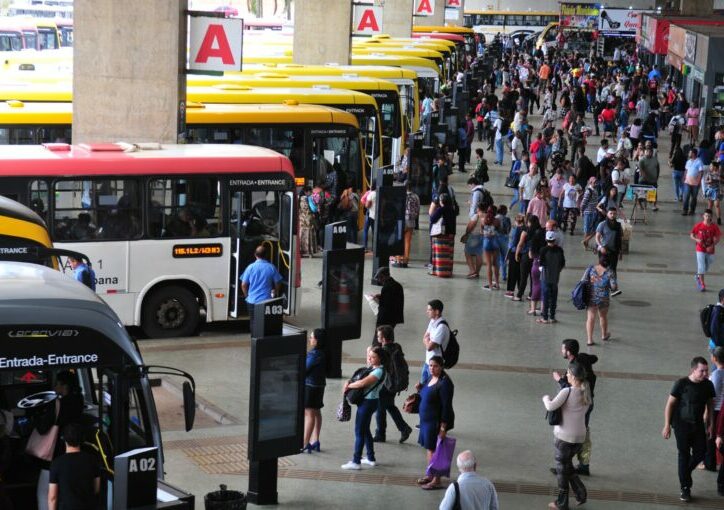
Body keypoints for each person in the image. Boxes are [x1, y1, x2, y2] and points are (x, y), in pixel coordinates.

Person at [662, 357, 716, 502]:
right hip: (681, 425)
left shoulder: (708, 385)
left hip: (698, 424)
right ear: (693, 370)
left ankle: (685, 473)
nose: (705, 373)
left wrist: (710, 423)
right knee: (683, 455)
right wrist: (667, 425)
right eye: (702, 371)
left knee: (701, 453)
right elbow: (670, 405)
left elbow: (710, 404)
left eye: (706, 370)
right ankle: (685, 488)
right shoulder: (681, 384)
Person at [543, 362, 590, 510]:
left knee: (562, 469)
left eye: (569, 373)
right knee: (567, 465)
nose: (566, 375)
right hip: (579, 438)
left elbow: (551, 406)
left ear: (575, 377)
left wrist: (545, 398)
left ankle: (561, 503)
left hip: (564, 438)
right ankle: (581, 493)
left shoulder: (567, 391)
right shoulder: (586, 393)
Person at [552, 339, 598, 477]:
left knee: (575, 434)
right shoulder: (582, 357)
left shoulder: (574, 367)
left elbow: (570, 389)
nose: (561, 351)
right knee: (583, 431)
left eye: (563, 349)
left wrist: (559, 379)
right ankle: (581, 464)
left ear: (568, 352)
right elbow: (595, 358)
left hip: (579, 403)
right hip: (588, 402)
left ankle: (572, 464)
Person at [341, 346, 387, 470]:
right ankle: (371, 458)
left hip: (368, 403)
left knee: (359, 431)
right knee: (365, 429)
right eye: (369, 356)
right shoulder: (375, 368)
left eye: (373, 357)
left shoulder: (378, 371)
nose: (370, 359)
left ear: (380, 358)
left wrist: (349, 386)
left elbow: (362, 383)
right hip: (371, 402)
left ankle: (356, 461)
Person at [415, 355, 454, 491]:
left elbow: (446, 407)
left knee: (435, 451)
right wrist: (420, 388)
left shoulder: (445, 384)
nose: (432, 368)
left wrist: (443, 427)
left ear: (441, 367)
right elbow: (427, 393)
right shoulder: (431, 378)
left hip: (435, 422)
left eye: (435, 366)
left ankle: (436, 480)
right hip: (426, 421)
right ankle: (430, 474)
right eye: (430, 365)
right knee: (429, 448)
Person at [373, 325, 412, 444]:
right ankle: (404, 428)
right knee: (389, 406)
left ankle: (380, 434)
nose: (377, 337)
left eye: (379, 336)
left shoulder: (383, 352)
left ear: (384, 338)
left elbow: (375, 367)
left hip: (386, 384)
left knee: (380, 408)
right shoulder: (397, 347)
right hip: (395, 383)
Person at [48, 423, 100, 510]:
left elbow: (52, 497)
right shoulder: (92, 460)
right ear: (81, 439)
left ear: (64, 440)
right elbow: (96, 489)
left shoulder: (57, 463)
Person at [240, 245, 283, 325]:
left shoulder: (250, 267)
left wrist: (247, 296)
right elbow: (278, 282)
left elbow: (243, 285)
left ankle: (254, 337)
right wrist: (275, 291)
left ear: (255, 255)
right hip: (266, 301)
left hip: (252, 301)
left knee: (253, 322)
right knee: (264, 324)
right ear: (266, 255)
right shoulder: (271, 267)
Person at [584, 253, 618, 346]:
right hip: (604, 298)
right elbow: (614, 287)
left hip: (591, 297)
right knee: (602, 316)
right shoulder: (610, 272)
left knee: (590, 317)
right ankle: (604, 335)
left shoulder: (591, 269)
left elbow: (583, 280)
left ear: (599, 260)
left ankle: (589, 340)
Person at [303, 329, 326, 453]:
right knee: (316, 411)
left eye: (312, 337)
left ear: (317, 340)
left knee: (309, 413)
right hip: (319, 386)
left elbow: (304, 369)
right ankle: (315, 440)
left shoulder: (314, 354)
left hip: (310, 387)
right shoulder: (324, 352)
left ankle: (305, 442)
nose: (310, 339)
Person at [419, 300, 449, 385]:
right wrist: (427, 341)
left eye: (429, 310)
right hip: (428, 362)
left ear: (437, 311)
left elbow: (429, 347)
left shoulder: (441, 327)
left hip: (436, 365)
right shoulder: (432, 322)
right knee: (422, 387)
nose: (427, 311)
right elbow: (424, 337)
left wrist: (427, 341)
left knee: (432, 388)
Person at [370, 267, 404, 342]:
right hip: (394, 319)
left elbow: (385, 305)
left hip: (385, 319)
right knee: (388, 338)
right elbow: (393, 299)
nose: (379, 280)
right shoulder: (398, 285)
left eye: (379, 278)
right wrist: (381, 296)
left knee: (378, 340)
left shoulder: (386, 287)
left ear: (383, 276)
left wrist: (377, 300)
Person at [538, 230, 566, 324]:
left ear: (546, 239)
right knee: (554, 297)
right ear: (555, 239)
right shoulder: (559, 250)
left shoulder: (543, 250)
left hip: (545, 277)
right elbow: (562, 263)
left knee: (545, 297)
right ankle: (552, 317)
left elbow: (541, 263)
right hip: (555, 277)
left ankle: (545, 318)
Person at [690, 209, 721, 292]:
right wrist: (697, 240)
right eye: (706, 216)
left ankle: (698, 275)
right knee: (701, 267)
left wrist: (712, 245)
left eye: (709, 216)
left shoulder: (714, 227)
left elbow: (718, 237)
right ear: (703, 216)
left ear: (711, 217)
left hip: (710, 249)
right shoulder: (698, 225)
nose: (707, 218)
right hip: (700, 248)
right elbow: (692, 235)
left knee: (708, 264)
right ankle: (702, 284)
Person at [595, 207, 623, 293]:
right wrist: (600, 247)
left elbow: (620, 238)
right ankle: (599, 286)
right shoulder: (602, 224)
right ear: (607, 214)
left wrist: (620, 251)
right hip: (604, 250)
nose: (612, 215)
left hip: (614, 251)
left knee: (613, 269)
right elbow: (597, 237)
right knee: (602, 268)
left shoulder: (618, 225)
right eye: (611, 213)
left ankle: (613, 288)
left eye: (614, 214)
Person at [705, 347, 724, 472]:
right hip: (721, 409)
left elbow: (713, 395)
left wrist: (706, 412)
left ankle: (710, 464)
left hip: (716, 409)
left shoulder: (717, 374)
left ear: (714, 358)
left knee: (710, 437)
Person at [429, 194, 456, 278]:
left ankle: (440, 272)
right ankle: (448, 271)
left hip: (442, 235)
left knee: (440, 254)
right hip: (451, 234)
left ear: (441, 201)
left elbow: (432, 219)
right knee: (449, 254)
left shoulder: (441, 209)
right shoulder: (452, 209)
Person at [398, 182, 420, 268]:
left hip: (402, 220)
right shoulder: (416, 196)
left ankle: (399, 258)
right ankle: (406, 259)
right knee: (407, 241)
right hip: (411, 221)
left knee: (400, 241)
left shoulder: (401, 196)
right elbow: (418, 209)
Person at [463, 202, 484, 279]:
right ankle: (477, 272)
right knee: (479, 254)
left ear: (478, 208)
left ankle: (472, 270)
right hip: (482, 237)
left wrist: (466, 233)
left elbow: (470, 226)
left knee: (467, 253)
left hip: (473, 236)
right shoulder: (486, 216)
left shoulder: (476, 216)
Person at [683, 148, 704, 216]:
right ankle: (685, 210)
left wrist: (699, 181)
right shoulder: (688, 161)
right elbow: (686, 170)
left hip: (695, 183)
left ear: (693, 154)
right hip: (687, 182)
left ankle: (692, 210)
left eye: (690, 153)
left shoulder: (699, 162)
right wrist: (684, 177)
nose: (689, 154)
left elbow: (701, 172)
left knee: (694, 198)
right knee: (686, 196)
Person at [298, 187, 319, 257]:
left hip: (301, 220)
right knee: (309, 236)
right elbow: (309, 210)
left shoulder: (299, 198)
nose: (311, 193)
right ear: (306, 192)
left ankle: (301, 252)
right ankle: (309, 252)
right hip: (308, 220)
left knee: (302, 236)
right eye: (310, 192)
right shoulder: (305, 198)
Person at [362, 183, 377, 251]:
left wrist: (366, 204)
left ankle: (365, 247)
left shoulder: (370, 193)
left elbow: (367, 205)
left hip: (370, 215)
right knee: (374, 232)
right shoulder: (379, 193)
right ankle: (374, 248)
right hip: (376, 215)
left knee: (365, 230)